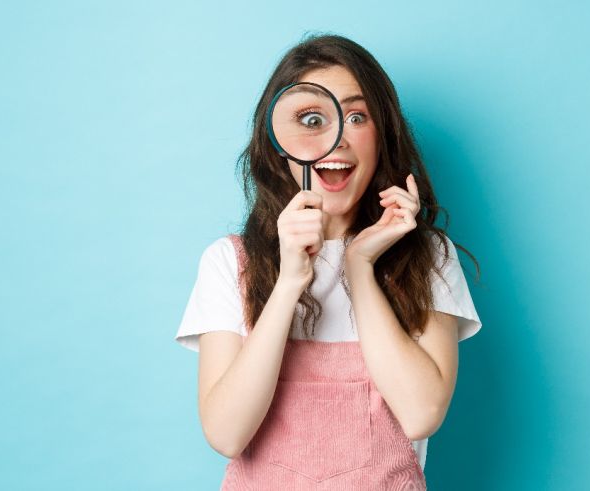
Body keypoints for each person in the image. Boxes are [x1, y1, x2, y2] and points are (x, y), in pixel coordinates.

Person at [175, 33, 483, 490]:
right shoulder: (229, 263)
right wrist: (288, 283)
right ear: (279, 145)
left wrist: (359, 268)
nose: (334, 139)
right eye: (311, 118)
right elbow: (225, 433)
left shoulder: (428, 257)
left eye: (356, 116)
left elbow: (421, 415)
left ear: (382, 136)